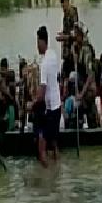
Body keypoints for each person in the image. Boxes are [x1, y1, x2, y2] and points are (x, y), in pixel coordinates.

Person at [34, 26, 61, 167]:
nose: (37, 46)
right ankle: (58, 173)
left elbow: (42, 91)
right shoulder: (53, 55)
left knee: (42, 149)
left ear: (42, 41)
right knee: (54, 143)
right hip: (58, 105)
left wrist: (31, 103)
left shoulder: (44, 64)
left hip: (50, 108)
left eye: (37, 42)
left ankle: (48, 180)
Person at [73, 22, 98, 128]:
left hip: (89, 91)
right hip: (84, 89)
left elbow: (90, 74)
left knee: (90, 116)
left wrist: (81, 94)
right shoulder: (80, 49)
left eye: (76, 34)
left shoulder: (86, 50)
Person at [56, 0, 79, 100]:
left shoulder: (72, 13)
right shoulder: (65, 15)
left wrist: (63, 37)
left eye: (63, 2)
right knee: (63, 76)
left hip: (72, 51)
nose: (62, 5)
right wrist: (62, 34)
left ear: (67, 1)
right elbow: (67, 31)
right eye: (61, 2)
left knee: (68, 77)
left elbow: (74, 34)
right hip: (66, 52)